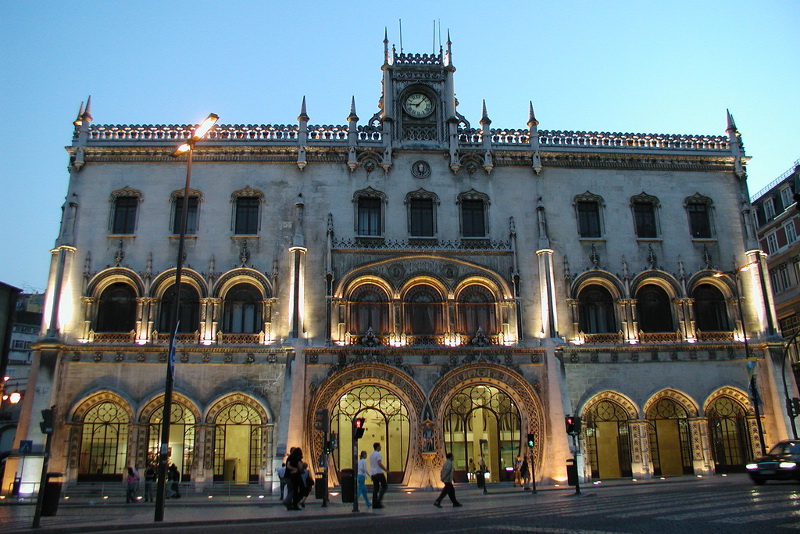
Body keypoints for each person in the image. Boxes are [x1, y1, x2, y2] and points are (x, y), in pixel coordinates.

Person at [369, 442, 388, 508]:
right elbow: (379, 463)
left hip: (373, 473)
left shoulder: (371, 455)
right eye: (380, 446)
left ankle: (374, 504)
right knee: (384, 486)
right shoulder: (378, 454)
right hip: (379, 473)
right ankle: (379, 502)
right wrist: (386, 470)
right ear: (377, 447)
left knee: (375, 488)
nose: (381, 447)